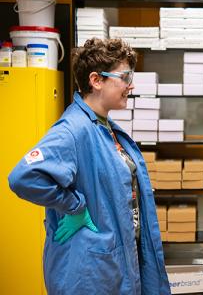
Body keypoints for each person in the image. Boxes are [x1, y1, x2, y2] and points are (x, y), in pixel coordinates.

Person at [8, 38, 171, 294]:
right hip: (91, 269)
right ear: (96, 81)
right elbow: (23, 177)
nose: (131, 84)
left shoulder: (104, 126)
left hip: (115, 260)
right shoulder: (73, 129)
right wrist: (75, 206)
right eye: (125, 76)